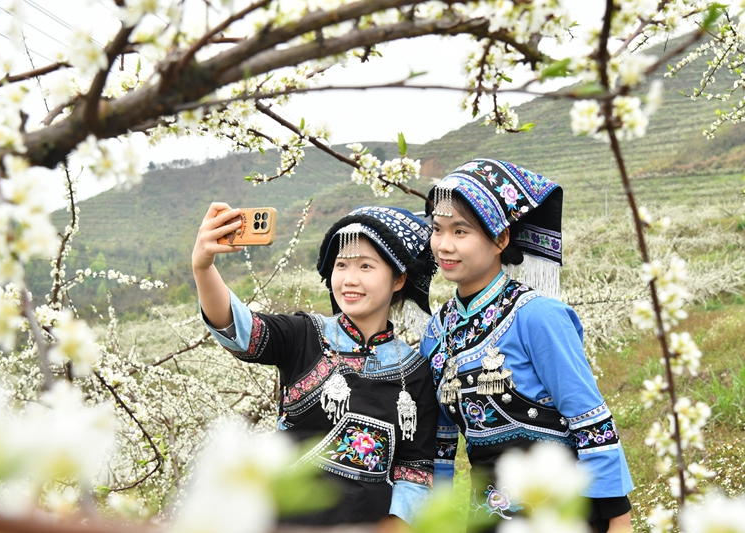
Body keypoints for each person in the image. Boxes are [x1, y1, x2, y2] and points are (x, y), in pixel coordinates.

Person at [192, 203, 440, 526]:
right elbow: (239, 329)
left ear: (398, 279)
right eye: (341, 265)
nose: (350, 280)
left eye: (366, 267)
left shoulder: (415, 371)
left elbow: (415, 473)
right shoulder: (304, 335)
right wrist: (203, 267)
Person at [420, 159, 634, 532]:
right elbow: (439, 446)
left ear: (501, 239)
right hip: (486, 517)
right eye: (437, 230)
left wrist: (619, 520)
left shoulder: (538, 316)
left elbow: (591, 422)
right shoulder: (435, 334)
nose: (444, 245)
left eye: (461, 231)